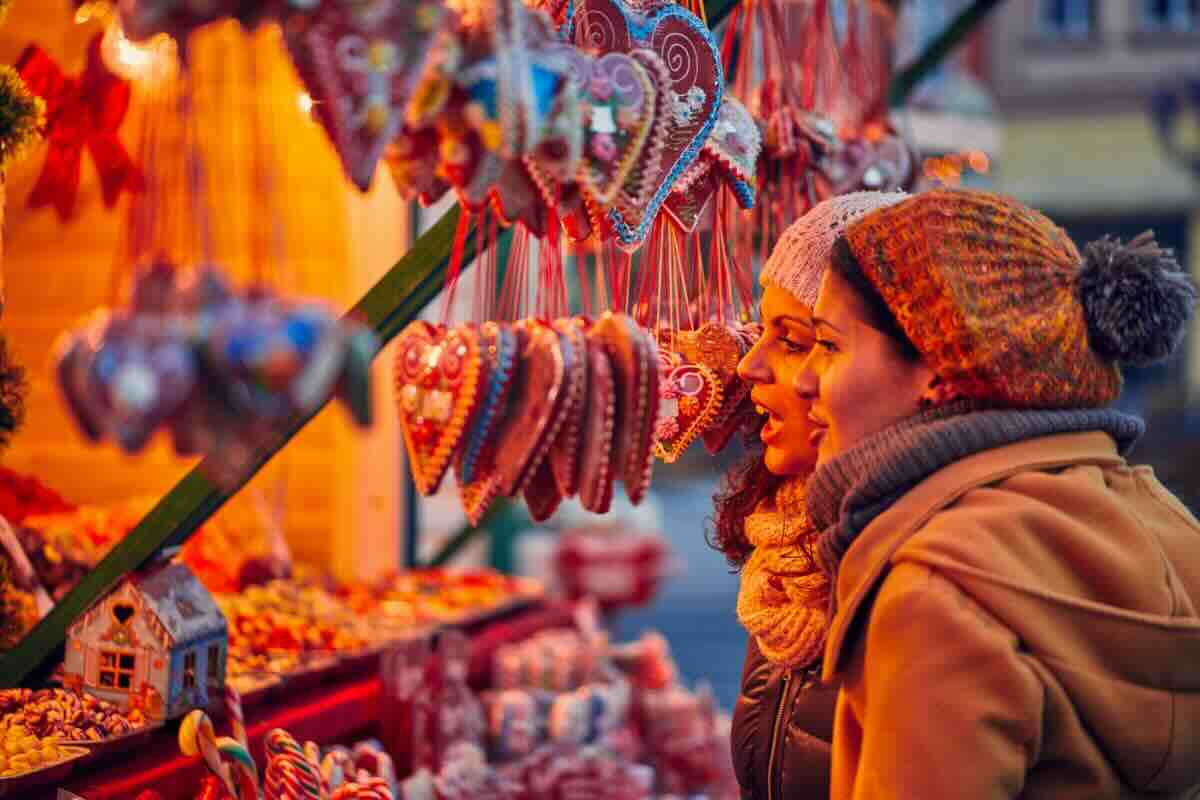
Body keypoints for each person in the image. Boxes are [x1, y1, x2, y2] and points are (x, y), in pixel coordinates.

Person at [796, 187, 1200, 798]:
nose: (803, 379)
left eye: (827, 346)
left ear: (937, 367)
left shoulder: (935, 595)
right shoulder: (1165, 520)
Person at [713, 191, 908, 800]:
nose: (751, 367)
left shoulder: (914, 574)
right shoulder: (785, 560)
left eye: (798, 341)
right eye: (762, 332)